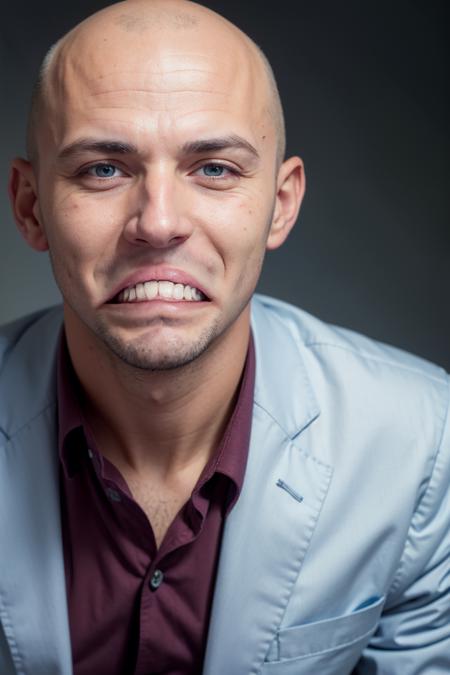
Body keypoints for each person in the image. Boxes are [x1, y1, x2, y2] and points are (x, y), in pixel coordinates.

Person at [1, 0, 449, 673]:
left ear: (281, 202)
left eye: (213, 168)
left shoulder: (423, 442)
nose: (158, 223)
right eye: (103, 168)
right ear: (31, 207)